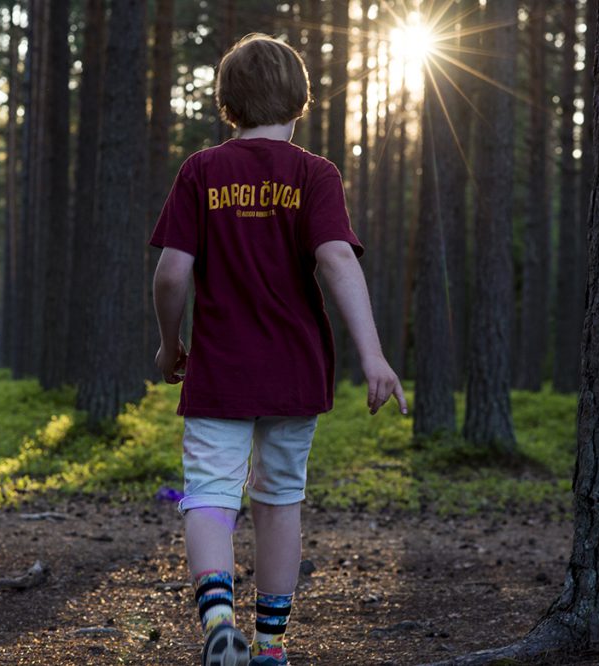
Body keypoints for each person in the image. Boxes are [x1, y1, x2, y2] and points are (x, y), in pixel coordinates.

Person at [150, 33, 407, 666]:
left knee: (209, 493)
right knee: (279, 497)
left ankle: (217, 619)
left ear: (226, 105)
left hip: (219, 369)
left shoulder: (201, 172)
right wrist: (373, 355)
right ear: (300, 102)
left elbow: (171, 273)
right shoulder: (315, 174)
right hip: (294, 368)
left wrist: (169, 343)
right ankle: (269, 647)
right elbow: (336, 259)